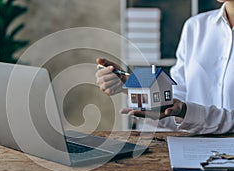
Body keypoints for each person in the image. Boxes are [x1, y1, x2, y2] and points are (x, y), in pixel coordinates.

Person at [95, 0, 234, 135]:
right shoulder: (196, 27)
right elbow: (175, 111)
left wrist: (186, 112)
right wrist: (131, 87)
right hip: (196, 150)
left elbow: (186, 112)